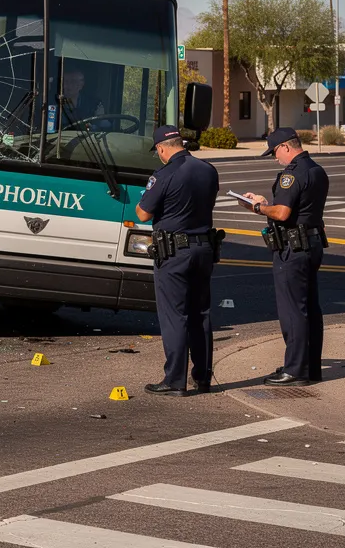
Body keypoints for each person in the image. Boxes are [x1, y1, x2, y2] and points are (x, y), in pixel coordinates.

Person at [134, 125, 220, 396]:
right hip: (204, 248)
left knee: (175, 317)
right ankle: (203, 377)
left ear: (161, 148)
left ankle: (174, 380)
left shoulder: (165, 174)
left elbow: (143, 214)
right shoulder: (208, 170)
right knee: (201, 315)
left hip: (174, 253)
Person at [239, 127, 329, 387]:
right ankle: (310, 366)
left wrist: (257, 206)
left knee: (293, 311)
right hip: (312, 244)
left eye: (275, 152)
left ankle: (295, 370)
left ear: (286, 148)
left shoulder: (292, 175)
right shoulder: (317, 170)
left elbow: (282, 213)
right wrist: (267, 202)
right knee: (310, 308)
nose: (275, 158)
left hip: (293, 248)